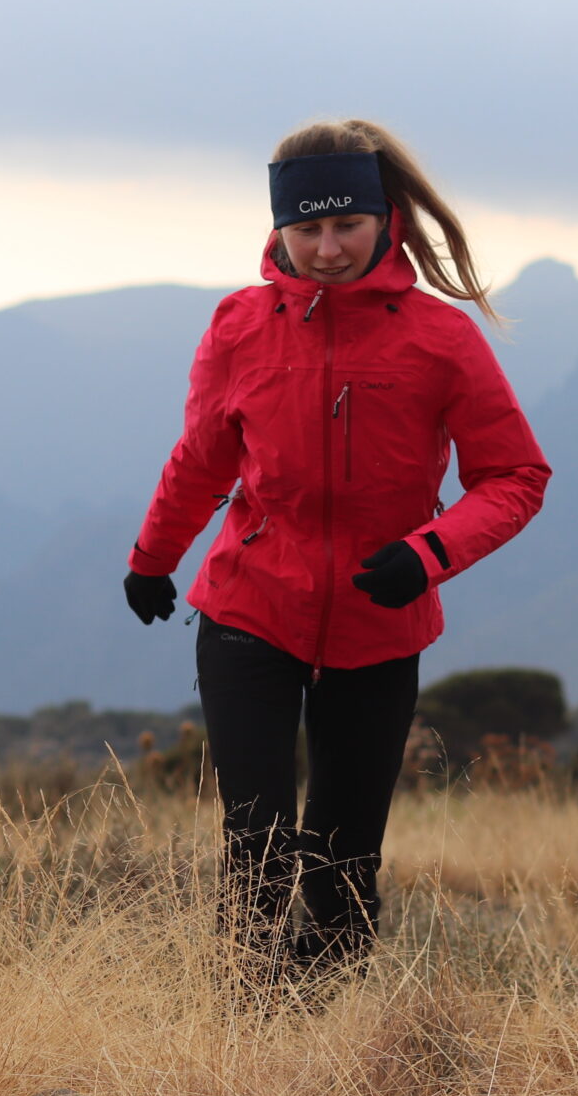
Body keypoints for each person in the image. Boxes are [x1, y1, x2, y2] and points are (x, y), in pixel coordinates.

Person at [123, 119, 551, 981]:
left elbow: (515, 475)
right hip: (248, 605)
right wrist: (153, 556)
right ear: (278, 228)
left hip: (380, 622)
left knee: (344, 859)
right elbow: (204, 453)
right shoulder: (241, 323)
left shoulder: (441, 337)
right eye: (305, 229)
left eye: (344, 226)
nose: (325, 249)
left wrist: (428, 555)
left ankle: (331, 1046)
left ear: (385, 218)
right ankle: (239, 1034)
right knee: (258, 840)